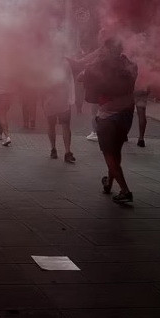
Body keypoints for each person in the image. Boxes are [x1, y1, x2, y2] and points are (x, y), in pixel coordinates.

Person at [81, 38, 138, 204]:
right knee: (116, 152)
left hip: (108, 116)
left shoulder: (100, 66)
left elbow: (83, 76)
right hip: (127, 113)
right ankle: (109, 183)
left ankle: (125, 190)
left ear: (107, 49)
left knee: (108, 154)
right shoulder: (131, 65)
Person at [43, 57, 76, 164]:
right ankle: (54, 148)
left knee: (65, 124)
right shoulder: (47, 63)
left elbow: (70, 80)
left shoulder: (65, 63)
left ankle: (67, 152)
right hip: (50, 99)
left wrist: (71, 98)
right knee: (52, 124)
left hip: (62, 98)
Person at [0, 74, 13, 147]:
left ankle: (7, 137)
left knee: (2, 116)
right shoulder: (9, 71)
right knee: (2, 115)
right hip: (8, 95)